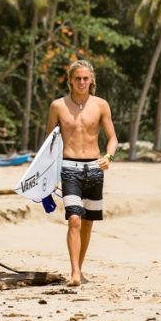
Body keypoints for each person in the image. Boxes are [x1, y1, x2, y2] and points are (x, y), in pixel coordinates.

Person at [45, 59, 119, 287]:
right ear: (70, 81)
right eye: (77, 78)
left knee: (87, 222)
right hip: (69, 167)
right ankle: (74, 272)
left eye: (86, 78)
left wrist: (108, 157)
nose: (82, 82)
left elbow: (113, 139)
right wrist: (46, 178)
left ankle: (80, 268)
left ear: (91, 80)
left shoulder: (100, 105)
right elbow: (49, 142)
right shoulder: (58, 106)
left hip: (95, 169)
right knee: (74, 219)